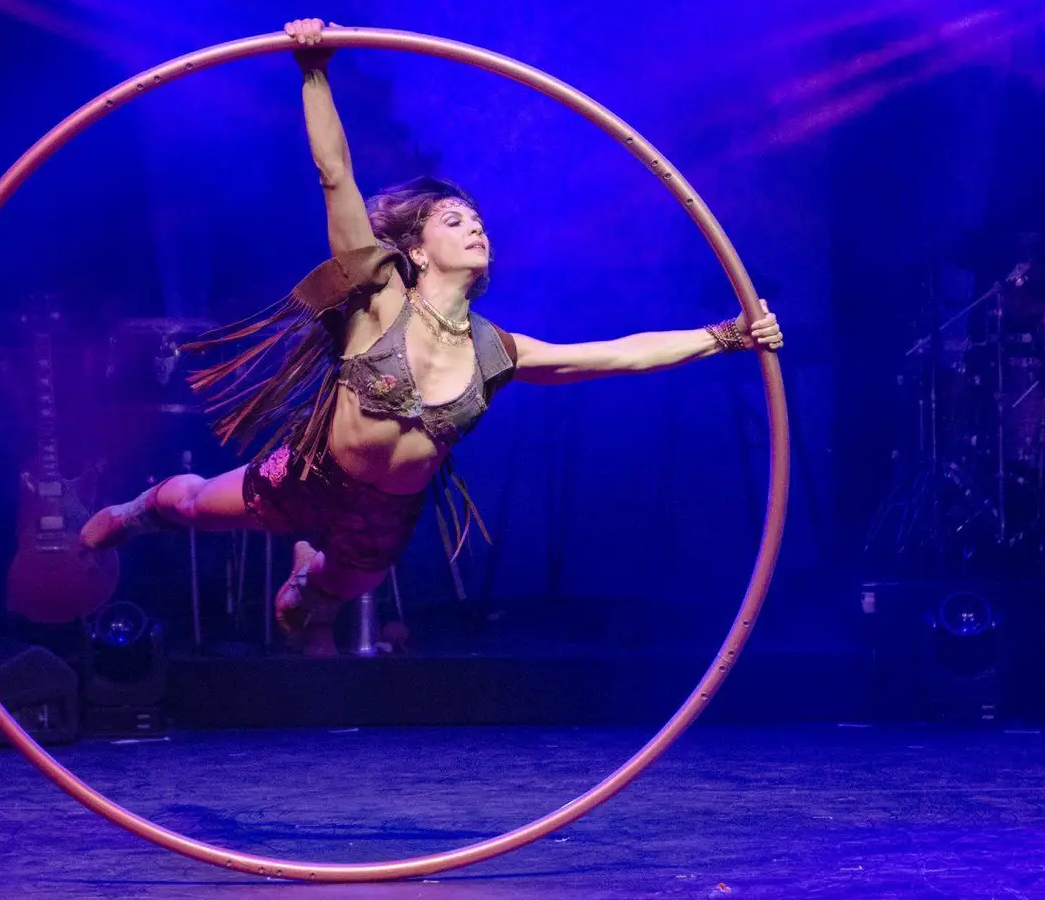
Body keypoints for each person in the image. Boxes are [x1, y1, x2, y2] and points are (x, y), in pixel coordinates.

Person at [82, 18, 784, 655]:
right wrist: (315, 70)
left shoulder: (497, 351)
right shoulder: (378, 300)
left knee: (330, 595)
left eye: (477, 222)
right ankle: (134, 510)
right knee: (196, 506)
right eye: (453, 220)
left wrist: (727, 335)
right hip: (310, 476)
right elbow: (335, 176)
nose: (475, 226)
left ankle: (305, 581)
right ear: (416, 250)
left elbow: (619, 355)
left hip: (385, 514)